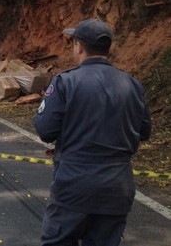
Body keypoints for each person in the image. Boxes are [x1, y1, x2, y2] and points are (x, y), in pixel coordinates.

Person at [33, 18, 151, 246]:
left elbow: (45, 129)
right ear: (109, 48)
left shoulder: (65, 82)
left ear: (78, 46)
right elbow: (144, 131)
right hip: (117, 187)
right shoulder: (133, 85)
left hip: (74, 185)